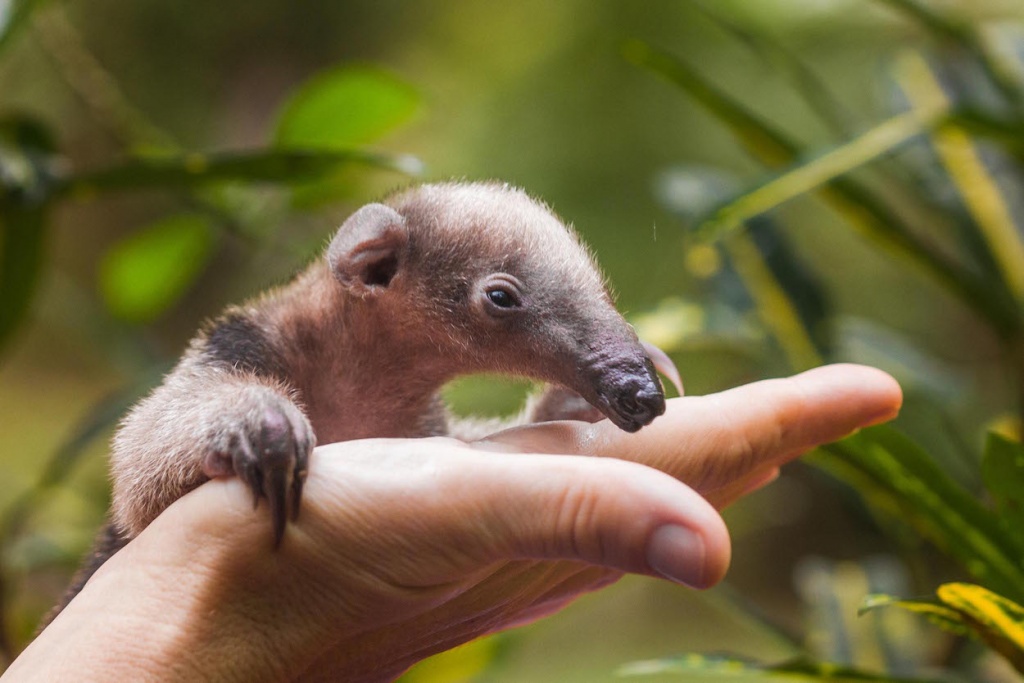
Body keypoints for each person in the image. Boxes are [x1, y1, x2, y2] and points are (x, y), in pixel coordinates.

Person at [4, 364, 901, 682]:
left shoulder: (409, 411)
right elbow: (145, 477)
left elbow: (429, 454)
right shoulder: (254, 356)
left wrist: (563, 412)